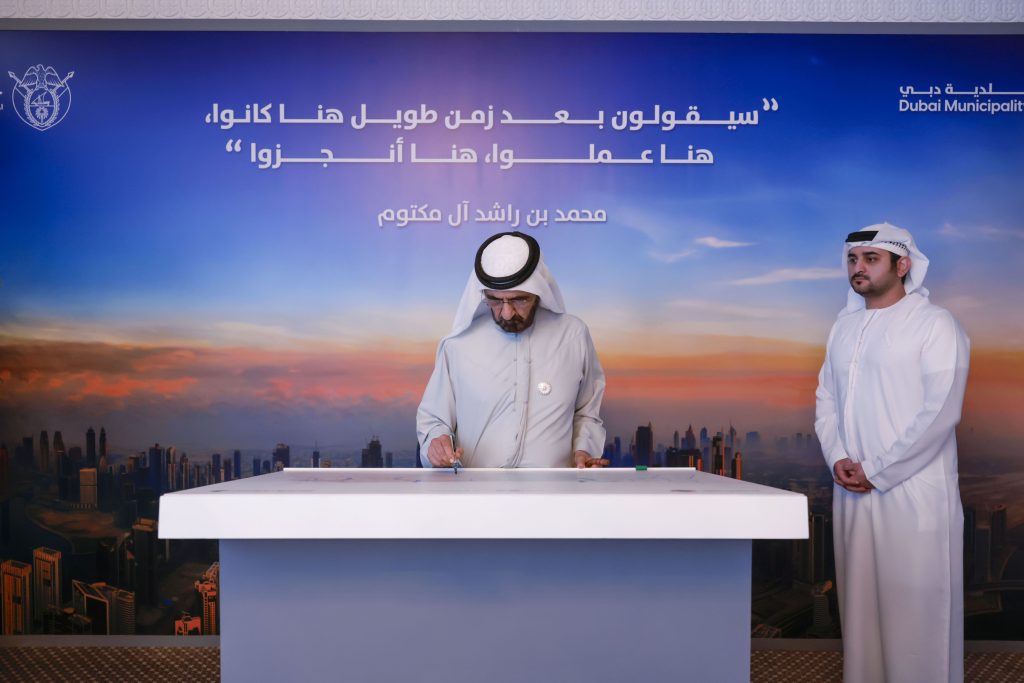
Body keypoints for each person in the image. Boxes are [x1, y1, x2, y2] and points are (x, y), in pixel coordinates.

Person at [815, 223, 970, 683]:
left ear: (902, 266)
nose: (857, 268)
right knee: (860, 612)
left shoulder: (936, 324)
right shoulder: (843, 328)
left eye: (870, 259)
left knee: (917, 617)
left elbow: (941, 410)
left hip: (913, 493)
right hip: (852, 489)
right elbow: (826, 398)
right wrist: (838, 457)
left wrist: (878, 470)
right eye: (851, 259)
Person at [417, 231, 607, 469]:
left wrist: (583, 449)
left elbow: (586, 412)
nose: (506, 313)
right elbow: (435, 420)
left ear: (539, 292)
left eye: (519, 300)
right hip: (477, 497)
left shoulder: (573, 335)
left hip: (556, 496)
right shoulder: (458, 345)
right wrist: (436, 444)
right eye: (495, 301)